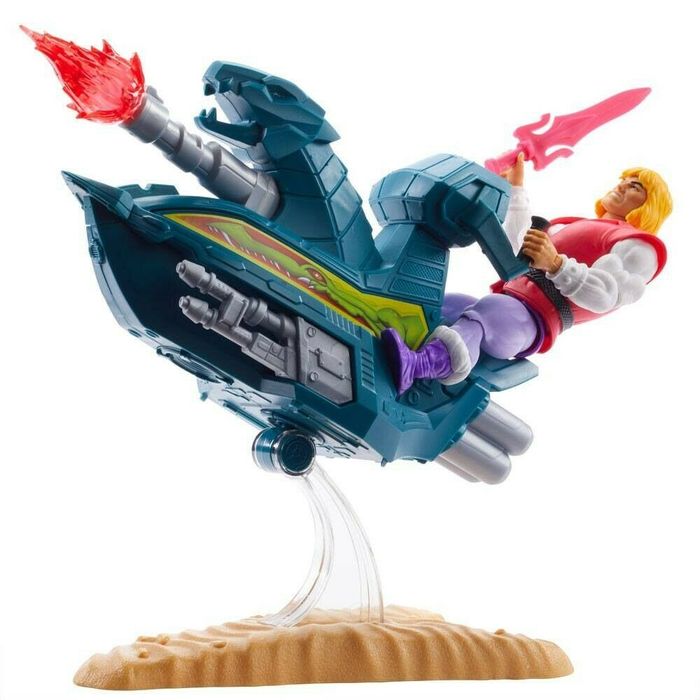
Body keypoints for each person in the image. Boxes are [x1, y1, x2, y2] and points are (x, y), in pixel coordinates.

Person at [382, 153, 673, 394]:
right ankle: (379, 331)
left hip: (529, 320)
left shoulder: (638, 245)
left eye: (635, 186)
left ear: (649, 205)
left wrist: (556, 264)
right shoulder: (571, 225)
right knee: (444, 305)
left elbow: (606, 295)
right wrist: (515, 189)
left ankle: (418, 366)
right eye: (624, 180)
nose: (622, 186)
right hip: (507, 301)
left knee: (481, 317)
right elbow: (517, 247)